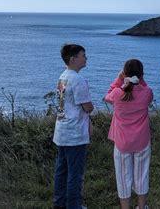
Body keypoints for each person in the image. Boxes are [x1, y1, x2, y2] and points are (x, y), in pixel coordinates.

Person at [104, 59, 154, 209]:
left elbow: (107, 95)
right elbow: (145, 90)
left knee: (123, 178)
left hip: (122, 142)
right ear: (141, 75)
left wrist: (119, 80)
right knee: (141, 176)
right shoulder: (147, 93)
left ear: (124, 73)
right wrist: (141, 80)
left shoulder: (117, 93)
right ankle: (141, 206)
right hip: (142, 141)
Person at [53, 44, 94, 209]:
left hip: (62, 130)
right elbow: (87, 107)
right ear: (73, 59)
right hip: (74, 133)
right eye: (83, 55)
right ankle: (74, 206)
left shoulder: (62, 76)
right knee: (75, 174)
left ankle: (59, 203)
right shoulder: (78, 80)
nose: (86, 58)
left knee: (61, 171)